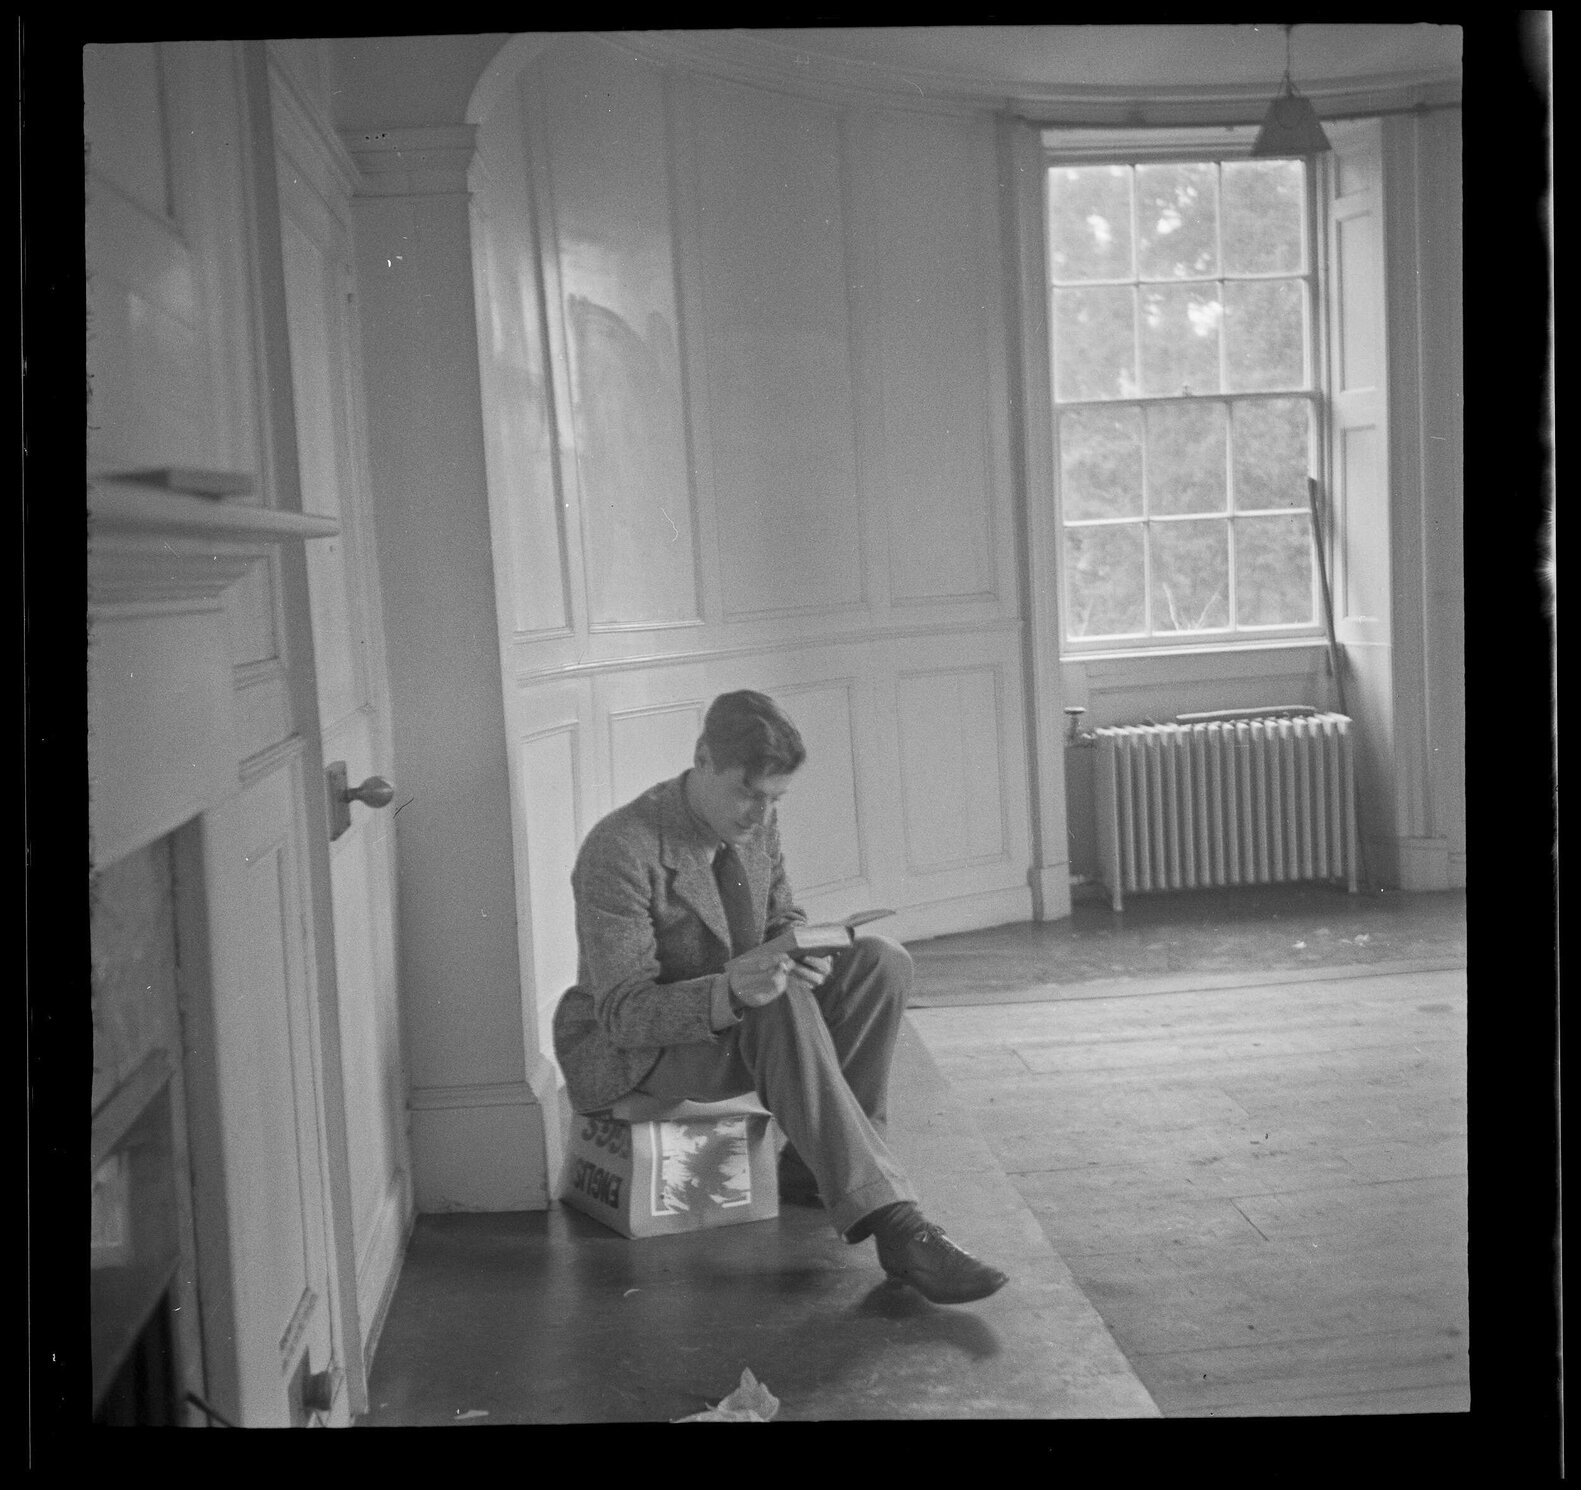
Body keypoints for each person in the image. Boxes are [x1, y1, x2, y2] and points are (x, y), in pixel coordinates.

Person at [553, 689, 1008, 1305]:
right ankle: (897, 1226)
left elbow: (777, 915)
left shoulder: (753, 820)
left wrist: (802, 948)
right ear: (703, 758)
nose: (761, 814)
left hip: (741, 1016)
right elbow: (623, 1014)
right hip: (640, 1051)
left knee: (882, 963)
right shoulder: (621, 849)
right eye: (748, 793)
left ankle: (814, 1170)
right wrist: (730, 991)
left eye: (776, 799)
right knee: (777, 1001)